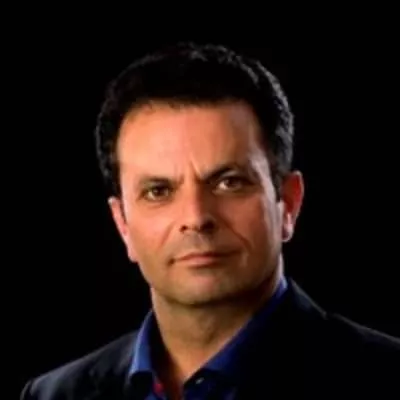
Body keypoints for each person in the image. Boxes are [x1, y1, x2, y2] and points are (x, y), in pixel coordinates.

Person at [20, 42, 399, 400]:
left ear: (288, 204)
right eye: (158, 191)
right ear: (122, 224)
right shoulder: (54, 394)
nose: (196, 217)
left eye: (229, 182)